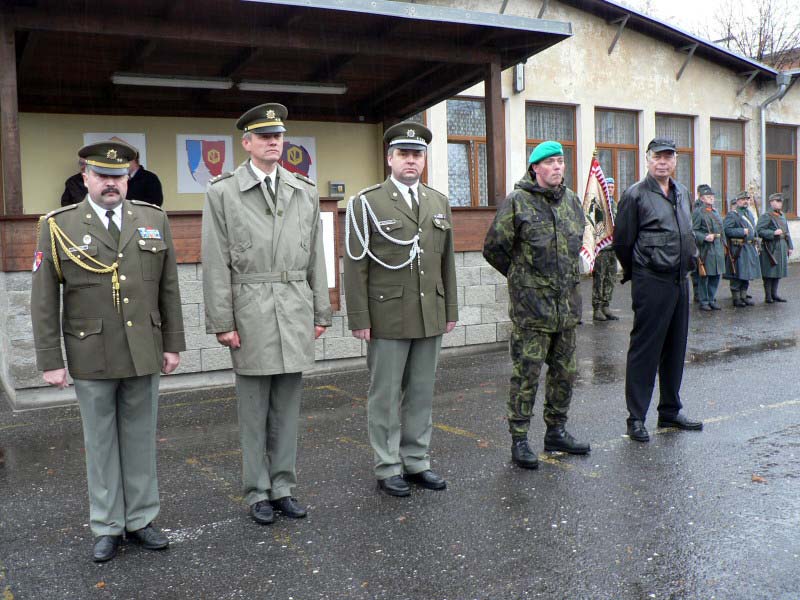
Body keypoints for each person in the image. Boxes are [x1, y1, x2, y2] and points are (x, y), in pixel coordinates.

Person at [31, 140, 185, 562]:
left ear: (128, 178)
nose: (111, 183)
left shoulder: (153, 219)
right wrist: (50, 360)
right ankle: (107, 525)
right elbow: (43, 299)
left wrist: (173, 344)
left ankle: (141, 519)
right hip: (91, 352)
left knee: (140, 440)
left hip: (143, 348)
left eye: (118, 176)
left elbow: (169, 288)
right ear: (85, 178)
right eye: (101, 175)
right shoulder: (58, 225)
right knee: (100, 444)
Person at [202, 103, 331, 524]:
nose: (273, 142)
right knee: (254, 410)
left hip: (293, 306)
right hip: (251, 309)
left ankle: (283, 487)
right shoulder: (223, 192)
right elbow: (215, 261)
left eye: (278, 136)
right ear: (247, 143)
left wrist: (321, 311)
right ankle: (257, 490)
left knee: (287, 409)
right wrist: (223, 322)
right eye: (264, 136)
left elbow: (316, 257)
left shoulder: (303, 190)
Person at [343, 122, 458, 496]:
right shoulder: (367, 202)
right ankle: (388, 465)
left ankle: (416, 461)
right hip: (387, 316)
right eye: (404, 154)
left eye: (417, 155)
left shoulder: (437, 202)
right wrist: (359, 318)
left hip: (429, 313)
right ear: (389, 158)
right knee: (386, 396)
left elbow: (446, 261)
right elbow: (355, 266)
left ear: (424, 159)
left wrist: (450, 309)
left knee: (421, 393)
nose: (411, 160)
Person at [483, 140, 591, 469]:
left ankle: (556, 431)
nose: (558, 167)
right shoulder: (517, 202)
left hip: (566, 309)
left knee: (565, 374)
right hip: (532, 312)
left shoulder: (572, 201)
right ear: (535, 168)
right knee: (526, 376)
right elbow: (494, 248)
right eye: (550, 162)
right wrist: (522, 279)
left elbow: (577, 243)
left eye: (560, 161)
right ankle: (519, 439)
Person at [613, 138, 703, 443]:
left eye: (668, 157)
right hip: (651, 281)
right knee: (645, 350)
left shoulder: (682, 193)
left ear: (675, 161)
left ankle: (670, 411)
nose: (662, 162)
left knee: (675, 348)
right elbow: (623, 242)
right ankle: (636, 418)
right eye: (657, 157)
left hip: (680, 280)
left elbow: (686, 232)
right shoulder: (635, 195)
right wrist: (640, 270)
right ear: (647, 160)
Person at [723, 191, 761, 307]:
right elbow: (727, 230)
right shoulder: (732, 215)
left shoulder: (749, 214)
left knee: (747, 274)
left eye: (747, 199)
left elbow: (753, 229)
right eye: (743, 199)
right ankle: (736, 298)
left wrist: (756, 239)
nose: (746, 201)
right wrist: (741, 231)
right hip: (738, 249)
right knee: (737, 273)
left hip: (749, 247)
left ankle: (744, 296)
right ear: (738, 201)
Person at [691, 184, 725, 311]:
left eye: (712, 196)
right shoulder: (698, 212)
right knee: (705, 276)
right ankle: (704, 301)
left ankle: (711, 299)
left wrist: (724, 246)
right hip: (706, 248)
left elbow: (722, 231)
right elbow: (693, 231)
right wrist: (704, 237)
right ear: (702, 198)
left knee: (716, 275)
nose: (711, 198)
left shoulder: (715, 212)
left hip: (717, 247)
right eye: (708, 196)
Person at [756, 193, 794, 303]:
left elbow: (787, 232)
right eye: (777, 201)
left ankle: (774, 294)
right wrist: (772, 233)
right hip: (770, 247)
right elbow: (759, 231)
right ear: (771, 202)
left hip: (781, 245)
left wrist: (790, 246)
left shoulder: (782, 215)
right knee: (769, 272)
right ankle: (768, 296)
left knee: (778, 271)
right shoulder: (766, 216)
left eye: (780, 201)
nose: (780, 203)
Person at [591, 176, 619, 321]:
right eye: (608, 187)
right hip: (602, 249)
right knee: (599, 279)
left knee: (610, 278)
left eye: (612, 187)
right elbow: (594, 226)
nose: (610, 189)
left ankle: (606, 305)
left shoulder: (615, 204)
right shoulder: (599, 205)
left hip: (613, 248)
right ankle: (597, 308)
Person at [689, 186, 705, 303]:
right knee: (697, 269)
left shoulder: (708, 208)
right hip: (696, 242)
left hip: (705, 243)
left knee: (703, 268)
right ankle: (698, 294)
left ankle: (702, 294)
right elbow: (693, 228)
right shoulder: (696, 208)